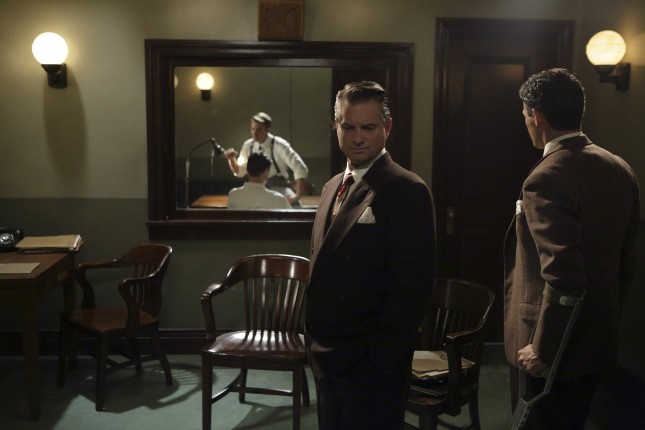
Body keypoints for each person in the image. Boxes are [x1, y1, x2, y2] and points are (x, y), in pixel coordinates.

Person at [504, 68, 640, 429]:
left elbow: (563, 274)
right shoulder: (619, 168)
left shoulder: (546, 177)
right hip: (597, 339)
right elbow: (627, 260)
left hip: (548, 349)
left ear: (536, 116)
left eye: (524, 115)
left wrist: (543, 347)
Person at [305, 81, 437, 430]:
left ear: (387, 127)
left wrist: (377, 357)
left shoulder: (407, 188)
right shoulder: (332, 186)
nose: (358, 138)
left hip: (371, 361)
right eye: (348, 127)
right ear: (336, 126)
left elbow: (414, 286)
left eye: (368, 127)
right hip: (327, 353)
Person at [224, 112, 309, 205]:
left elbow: (300, 168)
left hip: (278, 188)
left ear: (267, 130)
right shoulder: (248, 145)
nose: (255, 133)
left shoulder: (279, 145)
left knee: (295, 208)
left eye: (259, 130)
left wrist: (297, 196)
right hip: (254, 189)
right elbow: (240, 171)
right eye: (253, 129)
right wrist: (231, 159)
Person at [226, 153, 292, 210]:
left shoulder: (233, 195)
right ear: (266, 171)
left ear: (247, 171)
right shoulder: (278, 199)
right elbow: (292, 217)